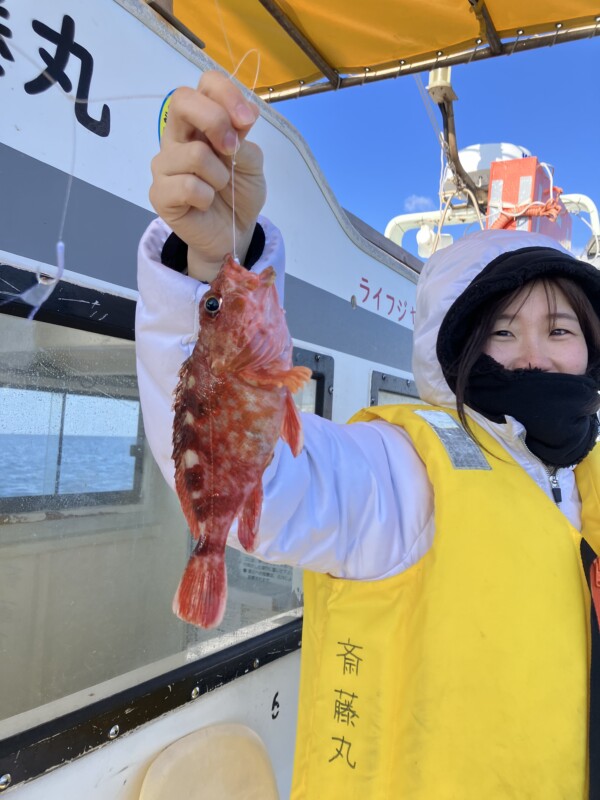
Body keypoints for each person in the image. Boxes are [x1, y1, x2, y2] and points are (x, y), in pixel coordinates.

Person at [136, 71, 600, 799]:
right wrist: (212, 266)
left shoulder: (590, 477)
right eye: (503, 332)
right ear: (459, 356)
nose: (535, 354)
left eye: (561, 329)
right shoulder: (402, 471)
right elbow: (275, 482)